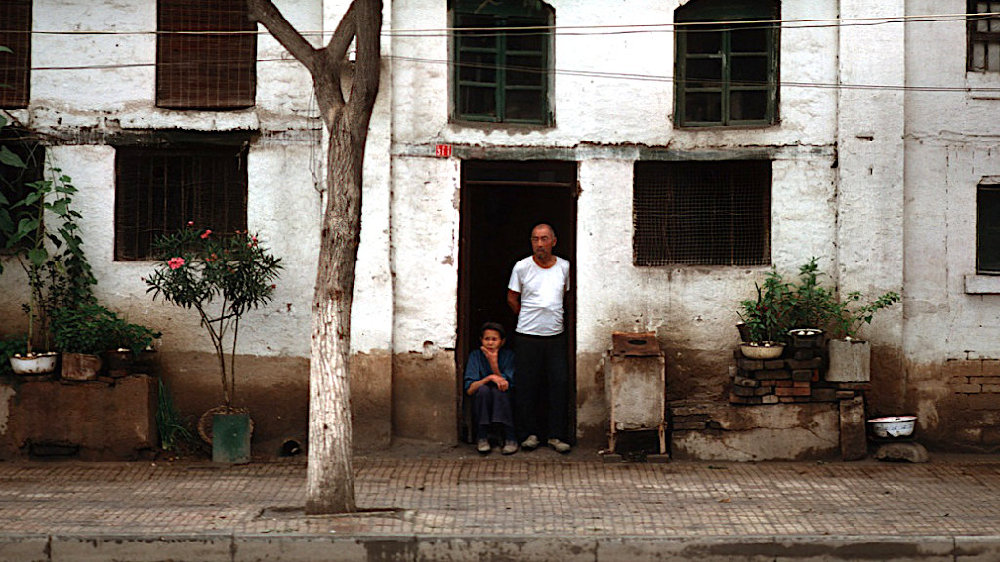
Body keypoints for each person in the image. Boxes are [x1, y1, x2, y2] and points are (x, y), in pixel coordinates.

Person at [506, 223, 572, 454]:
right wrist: (528, 316)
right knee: (527, 385)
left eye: (544, 239)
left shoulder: (564, 267)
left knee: (558, 383)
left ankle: (556, 435)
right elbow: (512, 298)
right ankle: (528, 434)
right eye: (535, 239)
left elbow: (566, 296)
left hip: (555, 336)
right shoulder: (522, 267)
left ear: (554, 241)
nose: (540, 244)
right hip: (527, 336)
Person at [464, 321, 518, 455]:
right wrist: (489, 378)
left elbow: (505, 384)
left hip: (503, 397)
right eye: (487, 339)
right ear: (481, 340)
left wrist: (493, 362)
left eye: (494, 339)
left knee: (499, 391)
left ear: (502, 341)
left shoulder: (508, 356)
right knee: (484, 390)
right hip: (482, 398)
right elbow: (470, 389)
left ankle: (509, 436)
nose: (490, 343)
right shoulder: (475, 356)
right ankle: (482, 436)